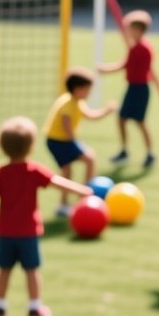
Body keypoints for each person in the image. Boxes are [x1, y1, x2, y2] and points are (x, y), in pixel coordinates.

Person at [0, 117, 92, 316]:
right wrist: (83, 190)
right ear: (31, 146)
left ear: (2, 146)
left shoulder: (1, 172)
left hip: (5, 233)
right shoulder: (33, 171)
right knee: (32, 271)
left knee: (4, 271)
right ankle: (35, 310)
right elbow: (57, 182)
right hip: (28, 233)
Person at [43, 66, 115, 217]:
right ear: (77, 89)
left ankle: (78, 199)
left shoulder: (77, 102)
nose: (89, 93)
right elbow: (66, 125)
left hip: (64, 141)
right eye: (87, 90)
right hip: (58, 141)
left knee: (78, 165)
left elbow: (91, 116)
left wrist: (106, 111)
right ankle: (80, 199)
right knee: (80, 164)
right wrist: (74, 145)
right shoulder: (68, 104)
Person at [98, 10, 157, 168]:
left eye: (131, 28)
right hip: (133, 87)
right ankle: (124, 151)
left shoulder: (141, 48)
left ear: (139, 29)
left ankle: (150, 153)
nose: (128, 32)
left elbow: (124, 65)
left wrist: (105, 69)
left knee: (140, 122)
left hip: (140, 89)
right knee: (122, 119)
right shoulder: (137, 47)